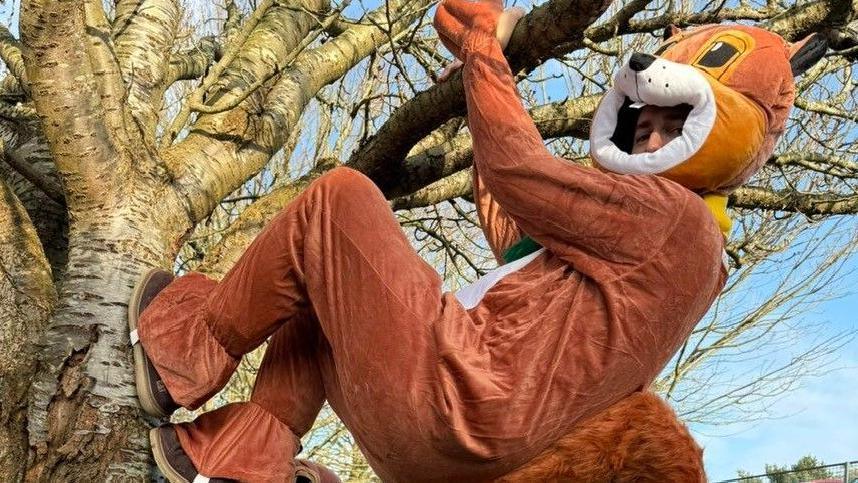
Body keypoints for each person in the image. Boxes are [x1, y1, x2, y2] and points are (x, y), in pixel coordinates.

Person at [128, 0, 826, 480]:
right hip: (449, 445)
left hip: (463, 400)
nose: (650, 134)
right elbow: (512, 222)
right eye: (645, 123)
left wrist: (484, 48)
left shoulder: (680, 223)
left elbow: (521, 173)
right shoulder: (646, 245)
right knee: (321, 294)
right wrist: (478, 89)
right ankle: (243, 461)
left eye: (674, 125)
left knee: (337, 202)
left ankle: (182, 354)